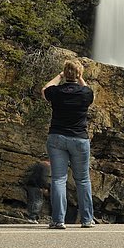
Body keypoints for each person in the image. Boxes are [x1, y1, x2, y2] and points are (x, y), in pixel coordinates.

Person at [42, 59, 95, 229]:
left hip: (57, 138)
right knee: (83, 180)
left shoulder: (56, 92)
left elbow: (44, 89)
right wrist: (79, 77)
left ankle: (58, 220)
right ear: (79, 74)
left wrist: (59, 76)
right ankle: (87, 220)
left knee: (58, 179)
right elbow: (87, 89)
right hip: (79, 139)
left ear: (65, 73)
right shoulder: (85, 93)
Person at [23, 156, 50, 223]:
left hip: (30, 185)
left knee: (32, 201)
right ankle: (32, 217)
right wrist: (44, 187)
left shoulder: (36, 166)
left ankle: (30, 216)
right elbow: (42, 178)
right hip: (37, 186)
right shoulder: (44, 167)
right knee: (38, 201)